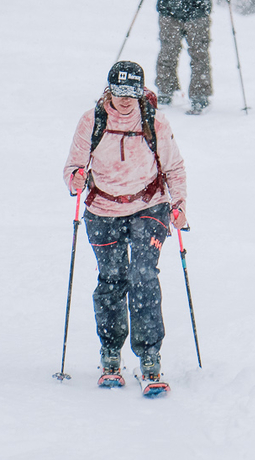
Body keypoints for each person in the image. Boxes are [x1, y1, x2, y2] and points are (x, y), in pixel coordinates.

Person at [63, 59, 190, 394]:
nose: (124, 99)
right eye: (118, 91)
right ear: (109, 90)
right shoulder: (93, 120)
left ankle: (149, 355)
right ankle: (110, 352)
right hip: (103, 209)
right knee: (112, 278)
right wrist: (76, 178)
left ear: (140, 92)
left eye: (131, 92)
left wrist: (179, 205)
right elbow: (73, 166)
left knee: (143, 275)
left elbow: (174, 168)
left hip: (149, 206)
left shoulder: (154, 121)